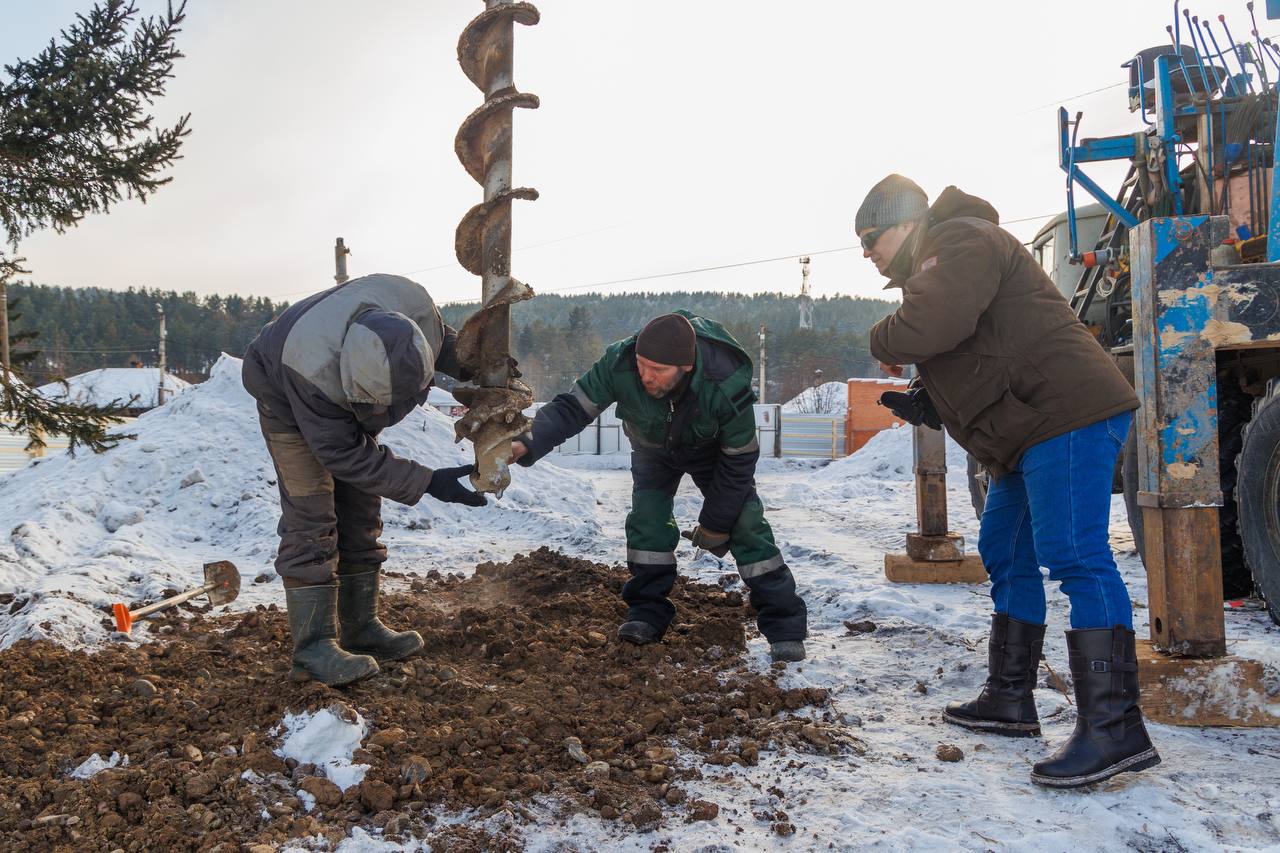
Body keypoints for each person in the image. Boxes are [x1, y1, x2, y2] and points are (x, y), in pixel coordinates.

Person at [858, 174, 1161, 788]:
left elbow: (933, 324)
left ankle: (1115, 729)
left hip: (1066, 414)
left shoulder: (962, 238)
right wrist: (930, 399)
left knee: (1075, 553)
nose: (867, 252)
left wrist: (880, 339)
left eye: (871, 237)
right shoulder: (944, 261)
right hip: (1028, 431)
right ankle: (1010, 697)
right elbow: (977, 348)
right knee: (1005, 549)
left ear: (908, 223)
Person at [510, 311, 808, 662]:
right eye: (641, 364)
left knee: (746, 526)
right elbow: (572, 408)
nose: (645, 376)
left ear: (686, 367)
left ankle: (785, 627)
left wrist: (715, 522)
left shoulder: (725, 384)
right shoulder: (619, 363)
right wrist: (526, 441)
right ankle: (646, 614)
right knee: (647, 524)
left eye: (658, 370)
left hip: (713, 454)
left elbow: (740, 458)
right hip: (652, 449)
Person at [242, 273, 487, 686]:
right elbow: (347, 456)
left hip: (337, 384)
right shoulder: (314, 372)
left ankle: (361, 629)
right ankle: (313, 649)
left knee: (360, 507)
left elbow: (443, 346)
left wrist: (481, 369)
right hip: (282, 391)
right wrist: (429, 481)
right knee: (312, 512)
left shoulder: (417, 309)